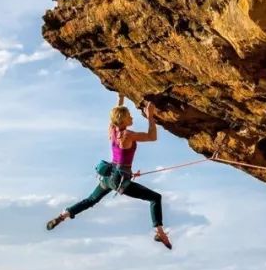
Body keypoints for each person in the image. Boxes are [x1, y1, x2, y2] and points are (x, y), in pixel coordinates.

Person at [46, 96, 172, 250]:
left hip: (108, 175)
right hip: (118, 178)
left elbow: (113, 117)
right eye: (129, 116)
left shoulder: (112, 131)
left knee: (91, 200)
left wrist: (120, 99)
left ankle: (63, 215)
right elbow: (152, 137)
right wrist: (150, 116)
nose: (132, 117)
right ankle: (159, 232)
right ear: (123, 120)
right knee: (155, 198)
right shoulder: (128, 135)